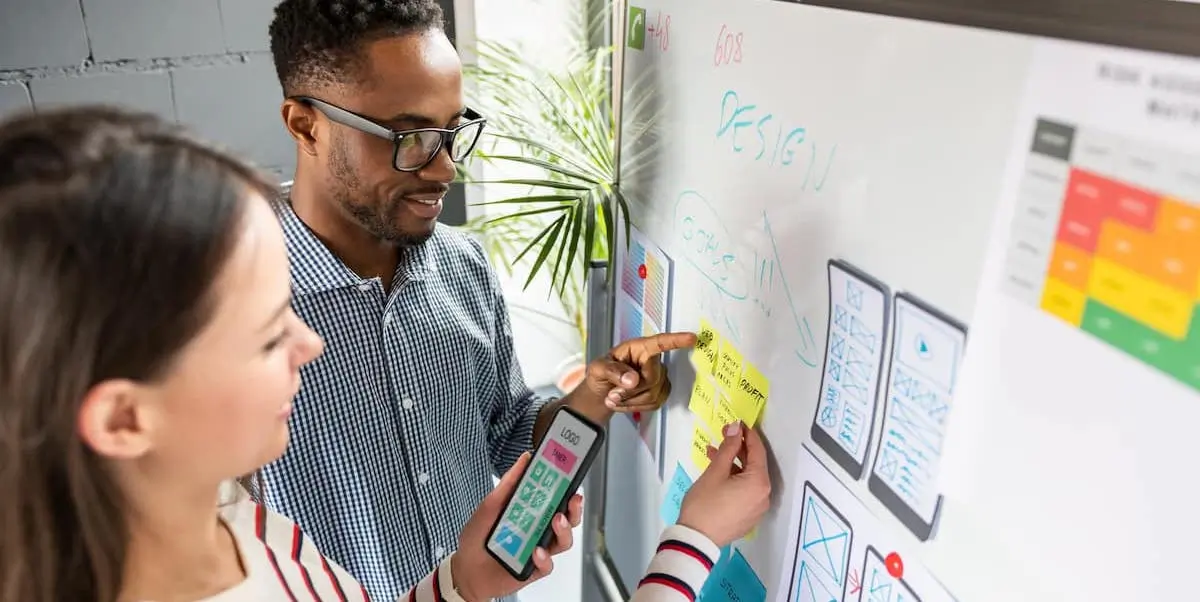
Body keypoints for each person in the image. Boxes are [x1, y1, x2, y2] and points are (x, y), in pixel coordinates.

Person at [0, 106, 772, 601]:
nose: (308, 342)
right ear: (126, 417)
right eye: (268, 334)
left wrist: (461, 582)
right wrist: (693, 541)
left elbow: (505, 423)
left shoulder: (247, 532)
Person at [264, 2, 697, 598]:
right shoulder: (230, 314)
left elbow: (510, 428)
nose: (445, 168)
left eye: (453, 131)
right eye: (411, 137)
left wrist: (596, 395)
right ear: (306, 125)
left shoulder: (462, 267)